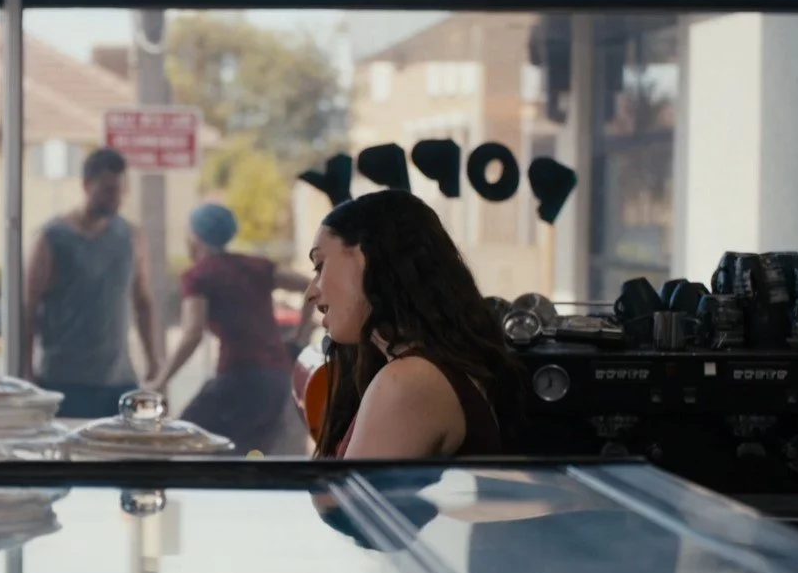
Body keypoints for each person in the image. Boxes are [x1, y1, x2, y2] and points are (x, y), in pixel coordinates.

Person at [304, 189, 523, 459]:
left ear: (366, 258)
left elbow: (337, 500)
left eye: (320, 265)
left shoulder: (410, 381)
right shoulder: (426, 369)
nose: (310, 293)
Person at [145, 203, 314, 455]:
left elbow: (193, 332)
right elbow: (312, 288)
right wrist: (302, 334)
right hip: (278, 380)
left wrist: (161, 381)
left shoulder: (199, 276)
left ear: (195, 238)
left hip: (239, 376)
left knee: (182, 441)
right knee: (246, 453)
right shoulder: (256, 266)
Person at [24, 147, 160, 418]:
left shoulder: (130, 236)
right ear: (87, 185)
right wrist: (26, 370)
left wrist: (153, 358)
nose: (116, 199)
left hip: (119, 379)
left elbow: (142, 300)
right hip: (65, 378)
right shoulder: (53, 237)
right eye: (108, 190)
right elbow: (29, 307)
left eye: (121, 191)